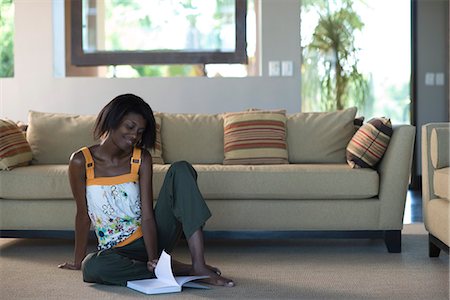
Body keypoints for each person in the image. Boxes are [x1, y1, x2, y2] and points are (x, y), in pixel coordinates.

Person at [58, 93, 234, 287]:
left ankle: (198, 266)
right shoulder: (81, 161)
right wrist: (77, 261)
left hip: (152, 237)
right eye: (130, 127)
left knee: (181, 169)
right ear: (112, 120)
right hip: (115, 251)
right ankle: (175, 269)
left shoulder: (141, 158)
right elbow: (83, 215)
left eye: (140, 131)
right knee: (91, 266)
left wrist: (152, 257)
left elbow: (148, 215)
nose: (135, 136)